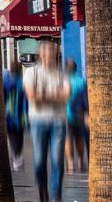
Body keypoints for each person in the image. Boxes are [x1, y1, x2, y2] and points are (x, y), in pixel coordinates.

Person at [25, 50, 71, 202]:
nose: (51, 57)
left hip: (58, 121)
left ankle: (56, 197)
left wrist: (43, 95)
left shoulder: (62, 74)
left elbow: (67, 95)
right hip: (38, 120)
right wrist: (56, 95)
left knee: (57, 160)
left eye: (54, 55)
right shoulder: (31, 73)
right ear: (41, 55)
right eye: (48, 54)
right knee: (39, 161)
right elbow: (33, 98)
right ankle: (42, 192)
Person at [65, 58, 89, 174]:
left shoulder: (63, 81)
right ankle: (80, 162)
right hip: (79, 114)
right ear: (76, 68)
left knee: (68, 138)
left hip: (65, 114)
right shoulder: (82, 82)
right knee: (79, 137)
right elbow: (85, 100)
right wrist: (86, 113)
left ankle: (70, 163)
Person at [4, 59, 26, 170]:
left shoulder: (7, 81)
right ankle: (19, 155)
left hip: (9, 113)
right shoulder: (22, 82)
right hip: (21, 113)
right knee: (20, 135)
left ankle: (17, 156)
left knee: (12, 136)